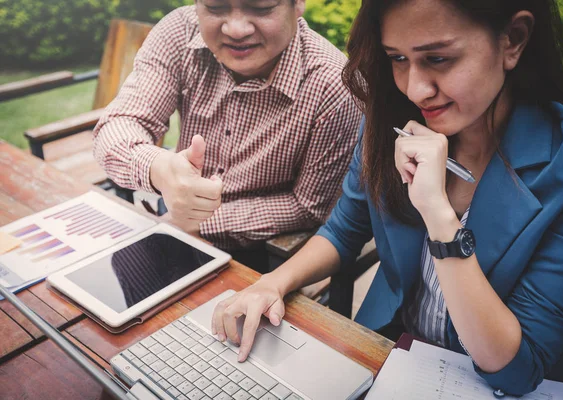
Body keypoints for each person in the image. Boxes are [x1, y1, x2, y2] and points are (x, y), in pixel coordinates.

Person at [211, 0, 563, 397]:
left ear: (513, 40)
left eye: (438, 58)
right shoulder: (390, 118)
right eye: (397, 58)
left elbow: (517, 369)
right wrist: (272, 283)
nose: (416, 89)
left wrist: (438, 214)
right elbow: (345, 230)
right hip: (393, 355)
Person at [93, 0, 362, 272]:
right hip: (170, 212)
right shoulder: (179, 31)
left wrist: (199, 221)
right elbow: (120, 123)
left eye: (261, 8)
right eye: (216, 6)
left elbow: (308, 207)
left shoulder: (335, 87)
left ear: (298, 4)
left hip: (262, 253)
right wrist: (157, 168)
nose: (236, 29)